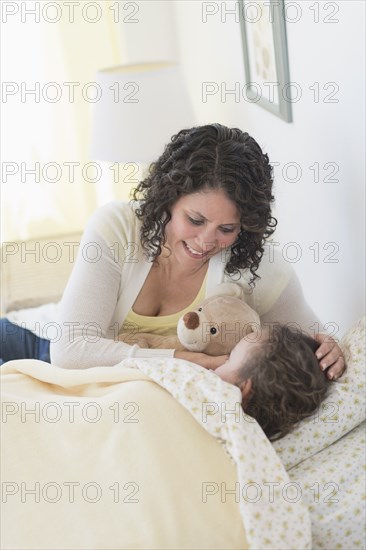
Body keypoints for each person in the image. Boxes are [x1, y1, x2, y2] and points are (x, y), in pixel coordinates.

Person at [1, 124, 345, 379]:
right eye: (195, 220)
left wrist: (330, 349)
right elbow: (70, 351)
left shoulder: (261, 269)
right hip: (38, 342)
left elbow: (312, 346)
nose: (206, 241)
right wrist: (177, 359)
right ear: (167, 199)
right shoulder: (118, 226)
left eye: (227, 229)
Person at [213, 324, 331, 440]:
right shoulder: (248, 443)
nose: (220, 363)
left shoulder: (203, 392)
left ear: (243, 387)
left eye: (229, 359)